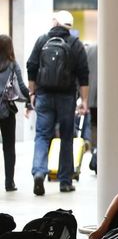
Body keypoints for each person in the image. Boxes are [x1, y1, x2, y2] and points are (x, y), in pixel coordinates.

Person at [26, 10, 89, 195]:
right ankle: (65, 181)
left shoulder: (42, 40)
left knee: (42, 135)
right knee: (67, 137)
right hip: (66, 97)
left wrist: (32, 92)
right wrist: (84, 100)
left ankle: (39, 172)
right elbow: (83, 74)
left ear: (55, 22)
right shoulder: (76, 44)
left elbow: (31, 67)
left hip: (44, 95)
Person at [0, 34, 31, 192]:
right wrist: (29, 100)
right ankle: (9, 182)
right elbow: (21, 87)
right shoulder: (12, 64)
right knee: (9, 147)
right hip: (6, 110)